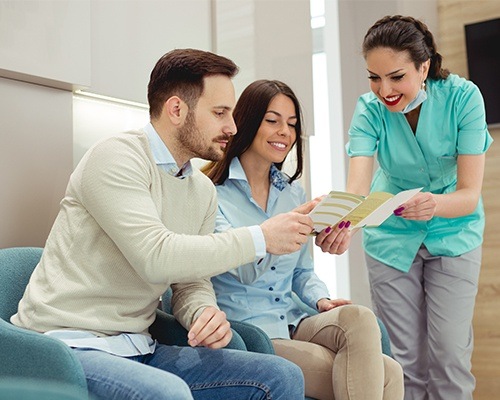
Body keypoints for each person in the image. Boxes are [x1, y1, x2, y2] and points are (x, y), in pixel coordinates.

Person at [11, 49, 313, 400]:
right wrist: (260, 238)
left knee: (281, 376)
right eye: (219, 113)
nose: (232, 127)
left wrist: (202, 311)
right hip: (68, 347)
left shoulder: (200, 189)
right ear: (176, 110)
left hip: (141, 347)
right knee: (167, 394)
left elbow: (190, 282)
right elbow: (156, 256)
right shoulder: (116, 158)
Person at [202, 79, 404, 400]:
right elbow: (242, 270)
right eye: (272, 120)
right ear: (247, 122)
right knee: (386, 374)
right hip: (253, 332)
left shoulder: (292, 191)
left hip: (295, 320)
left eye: (292, 124)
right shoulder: (211, 194)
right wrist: (278, 233)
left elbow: (301, 272)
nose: (285, 131)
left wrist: (321, 301)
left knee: (361, 318)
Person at [345, 15, 493, 399]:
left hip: (453, 233)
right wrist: (341, 222)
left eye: (396, 77)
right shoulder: (369, 109)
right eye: (374, 78)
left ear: (423, 66)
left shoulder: (463, 98)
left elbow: (468, 196)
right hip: (391, 239)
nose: (384, 90)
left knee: (449, 357)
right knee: (403, 362)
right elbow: (357, 188)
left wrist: (433, 204)